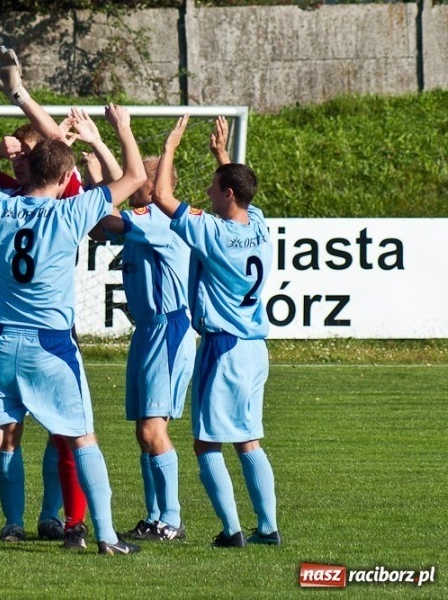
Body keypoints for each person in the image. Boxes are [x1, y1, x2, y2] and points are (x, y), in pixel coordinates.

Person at [0, 97, 146, 556]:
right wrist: (117, 130)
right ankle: (107, 537)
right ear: (62, 178)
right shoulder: (68, 211)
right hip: (50, 345)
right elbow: (135, 178)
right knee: (82, 439)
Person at [0, 43, 90, 549]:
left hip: (44, 325)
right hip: (14, 326)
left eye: (32, 157)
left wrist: (17, 93)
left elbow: (58, 149)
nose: (25, 163)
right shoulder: (5, 189)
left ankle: (65, 519)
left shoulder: (58, 191)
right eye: (23, 156)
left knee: (62, 432)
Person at [151, 114, 280, 548]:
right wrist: (222, 156)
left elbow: (161, 195)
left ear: (226, 194)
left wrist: (169, 147)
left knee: (206, 444)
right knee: (248, 441)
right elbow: (238, 191)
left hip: (223, 346)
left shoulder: (212, 232)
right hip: (255, 348)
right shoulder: (258, 223)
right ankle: (268, 527)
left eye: (212, 185)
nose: (206, 191)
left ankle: (231, 531)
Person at [98, 155, 194, 542]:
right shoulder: (142, 221)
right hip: (148, 331)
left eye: (137, 174)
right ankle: (155, 516)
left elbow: (105, 219)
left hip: (167, 327)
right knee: (144, 430)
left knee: (154, 428)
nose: (130, 176)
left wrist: (101, 164)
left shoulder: (158, 218)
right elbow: (100, 228)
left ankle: (171, 519)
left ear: (151, 185)